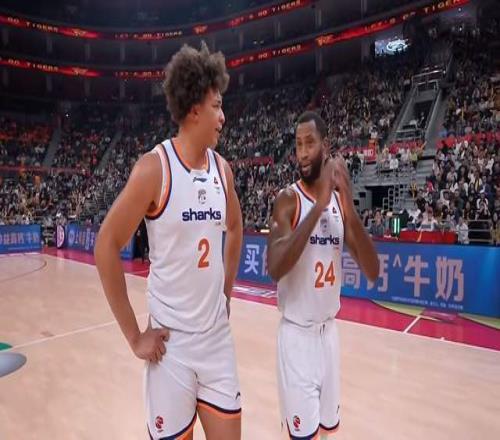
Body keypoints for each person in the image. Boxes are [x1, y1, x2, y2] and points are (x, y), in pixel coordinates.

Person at [94, 42, 243, 440]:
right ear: (194, 109)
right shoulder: (153, 169)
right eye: (216, 106)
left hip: (216, 341)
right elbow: (106, 244)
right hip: (170, 346)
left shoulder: (223, 171)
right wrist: (133, 336)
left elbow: (235, 228)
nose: (223, 117)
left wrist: (226, 293)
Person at [267, 111, 379, 439]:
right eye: (298, 145)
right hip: (297, 338)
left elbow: (372, 271)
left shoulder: (339, 206)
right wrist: (318, 207)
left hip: (329, 336)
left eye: (310, 143)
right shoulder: (288, 200)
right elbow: (275, 267)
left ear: (325, 146)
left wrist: (349, 207)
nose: (302, 153)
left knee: (328, 433)